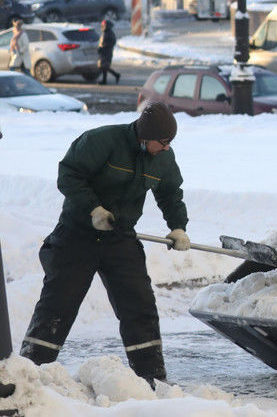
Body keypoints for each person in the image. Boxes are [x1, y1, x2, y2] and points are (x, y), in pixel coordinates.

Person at [21, 102, 189, 387]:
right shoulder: (101, 141)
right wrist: (93, 209)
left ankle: (152, 377)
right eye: (163, 142)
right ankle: (30, 373)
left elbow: (171, 193)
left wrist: (177, 227)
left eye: (170, 143)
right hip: (77, 235)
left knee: (139, 304)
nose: (167, 148)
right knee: (58, 305)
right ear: (146, 136)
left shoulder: (162, 158)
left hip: (120, 236)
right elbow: (68, 174)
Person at [97, 18, 120, 85]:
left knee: (104, 66)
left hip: (107, 52)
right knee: (104, 66)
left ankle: (115, 75)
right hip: (104, 51)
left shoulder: (109, 33)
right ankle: (105, 79)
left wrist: (104, 47)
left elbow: (112, 42)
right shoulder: (105, 32)